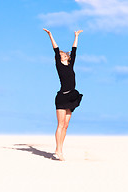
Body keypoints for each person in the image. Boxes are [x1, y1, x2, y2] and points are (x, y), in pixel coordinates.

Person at [43, 28, 83, 161]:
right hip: (62, 97)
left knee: (66, 125)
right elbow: (55, 49)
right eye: (59, 55)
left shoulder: (71, 65)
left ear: (67, 56)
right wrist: (50, 35)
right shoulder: (59, 66)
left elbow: (75, 50)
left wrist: (76, 36)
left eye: (62, 54)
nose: (60, 55)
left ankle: (60, 148)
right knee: (60, 124)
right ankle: (58, 150)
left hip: (72, 97)